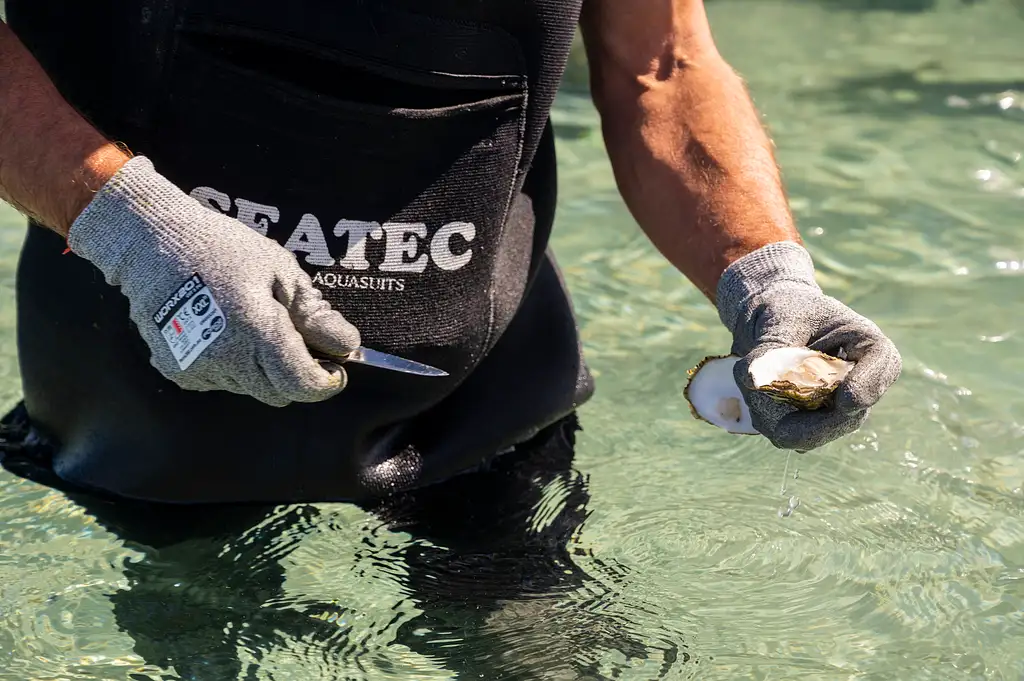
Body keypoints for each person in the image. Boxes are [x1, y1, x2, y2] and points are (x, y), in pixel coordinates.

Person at [0, 0, 901, 676]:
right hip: (152, 376)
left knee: (546, 652)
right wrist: (135, 228)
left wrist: (768, 279)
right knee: (193, 641)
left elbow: (660, 64)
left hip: (477, 393)